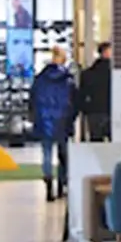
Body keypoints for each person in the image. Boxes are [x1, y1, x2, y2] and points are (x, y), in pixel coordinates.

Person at [31, 48, 78, 202]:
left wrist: (36, 117)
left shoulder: (40, 80)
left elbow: (32, 101)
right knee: (63, 154)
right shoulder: (68, 80)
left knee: (47, 154)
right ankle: (61, 185)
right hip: (63, 121)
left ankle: (48, 185)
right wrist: (71, 118)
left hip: (44, 121)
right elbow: (74, 102)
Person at [79, 42, 113, 142]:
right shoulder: (115, 74)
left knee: (96, 142)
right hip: (112, 110)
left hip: (94, 112)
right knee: (116, 143)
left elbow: (82, 94)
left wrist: (85, 109)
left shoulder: (88, 74)